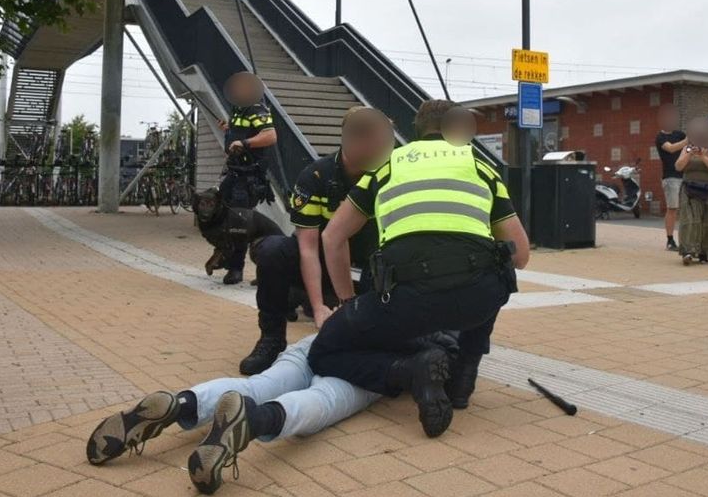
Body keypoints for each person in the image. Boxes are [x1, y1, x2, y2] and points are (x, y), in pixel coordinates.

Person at [307, 100, 530, 438]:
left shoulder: (386, 167)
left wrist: (347, 299)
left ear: (415, 130)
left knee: (322, 353)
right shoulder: (482, 168)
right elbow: (521, 255)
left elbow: (332, 237)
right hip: (476, 303)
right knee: (497, 267)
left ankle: (408, 371)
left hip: (404, 303)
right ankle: (464, 375)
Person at [86, 331, 457, 495]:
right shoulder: (448, 313)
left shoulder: (388, 265)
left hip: (321, 341)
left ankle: (180, 404)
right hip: (367, 368)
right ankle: (253, 422)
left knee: (256, 386)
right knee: (322, 402)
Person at [239, 107, 392, 375]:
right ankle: (271, 339)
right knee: (273, 250)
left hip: (372, 265)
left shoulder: (390, 175)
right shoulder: (316, 177)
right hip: (325, 261)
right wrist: (320, 307)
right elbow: (307, 248)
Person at [217, 72, 277, 285]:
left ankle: (236, 269)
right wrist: (229, 131)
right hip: (234, 174)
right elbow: (241, 134)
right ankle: (225, 257)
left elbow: (270, 135)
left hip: (248, 176)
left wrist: (245, 144)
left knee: (239, 223)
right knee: (220, 214)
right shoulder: (238, 110)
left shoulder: (256, 108)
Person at [673, 116, 708, 265]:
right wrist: (689, 153)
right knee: (690, 221)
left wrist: (703, 156)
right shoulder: (687, 147)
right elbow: (678, 166)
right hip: (690, 188)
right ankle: (688, 251)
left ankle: (704, 253)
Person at [654, 103, 687, 251]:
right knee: (672, 208)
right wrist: (688, 140)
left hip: (686, 176)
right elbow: (671, 148)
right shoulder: (660, 137)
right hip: (670, 177)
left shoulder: (680, 134)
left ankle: (688, 238)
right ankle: (670, 240)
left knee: (689, 208)